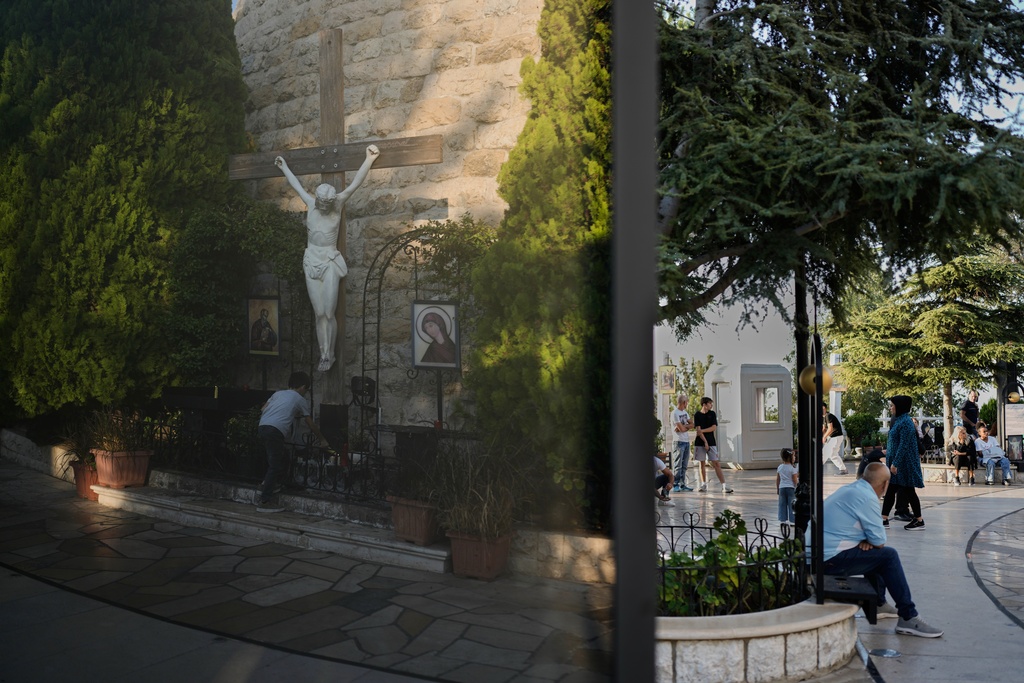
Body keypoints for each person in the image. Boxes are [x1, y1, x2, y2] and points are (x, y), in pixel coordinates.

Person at [275, 145, 380, 372]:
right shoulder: (311, 204)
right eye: (321, 203)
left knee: (329, 311)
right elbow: (296, 185)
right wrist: (284, 168)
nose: (323, 206)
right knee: (319, 312)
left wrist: (368, 160)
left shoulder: (338, 203)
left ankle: (330, 353)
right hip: (311, 260)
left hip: (330, 260)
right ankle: (323, 353)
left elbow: (355, 184)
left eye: (326, 204)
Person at [819, 462, 943, 638]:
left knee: (876, 556)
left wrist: (866, 539)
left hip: (818, 555)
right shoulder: (867, 498)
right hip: (827, 560)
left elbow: (872, 540)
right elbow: (879, 541)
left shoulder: (852, 489)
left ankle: (879, 604)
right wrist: (869, 539)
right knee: (888, 556)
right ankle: (908, 616)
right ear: (885, 485)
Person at [256, 371, 329, 513]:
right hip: (275, 430)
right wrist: (322, 439)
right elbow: (310, 423)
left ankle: (268, 484)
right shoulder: (299, 399)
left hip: (263, 426)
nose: (306, 393)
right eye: (306, 390)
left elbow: (263, 408)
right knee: (275, 465)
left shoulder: (278, 393)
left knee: (281, 455)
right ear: (303, 387)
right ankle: (265, 501)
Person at [881, 396, 926, 530]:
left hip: (903, 464)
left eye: (892, 405)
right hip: (897, 463)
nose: (890, 408)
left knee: (907, 491)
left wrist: (895, 463)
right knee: (894, 490)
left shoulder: (906, 422)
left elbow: (904, 445)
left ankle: (919, 520)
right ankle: (884, 519)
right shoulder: (900, 420)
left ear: (899, 406)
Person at [693, 397, 733, 493]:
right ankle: (703, 484)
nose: (711, 405)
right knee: (701, 464)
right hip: (700, 442)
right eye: (710, 404)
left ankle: (724, 485)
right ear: (704, 404)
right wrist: (705, 442)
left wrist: (702, 430)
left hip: (712, 442)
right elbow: (698, 431)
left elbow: (713, 427)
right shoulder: (697, 415)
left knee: (716, 463)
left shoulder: (712, 414)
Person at [671, 395, 694, 491]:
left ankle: (682, 484)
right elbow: (682, 429)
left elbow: (692, 424)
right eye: (686, 402)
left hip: (686, 441)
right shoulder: (674, 413)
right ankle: (675, 484)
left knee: (684, 465)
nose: (687, 404)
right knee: (678, 465)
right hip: (678, 442)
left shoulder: (685, 412)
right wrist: (685, 427)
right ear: (683, 402)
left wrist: (685, 426)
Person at [822, 402, 850, 475]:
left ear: (823, 408)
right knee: (833, 454)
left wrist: (824, 437)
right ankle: (843, 469)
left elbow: (830, 429)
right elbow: (825, 429)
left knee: (824, 453)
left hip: (835, 437)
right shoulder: (825, 418)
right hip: (835, 437)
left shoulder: (828, 416)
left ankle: (816, 469)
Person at [776, 448, 798, 530]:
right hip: (791, 488)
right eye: (794, 456)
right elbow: (794, 479)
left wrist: (777, 488)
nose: (795, 457)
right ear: (790, 457)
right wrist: (797, 486)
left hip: (782, 488)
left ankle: (782, 520)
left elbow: (778, 479)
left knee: (782, 504)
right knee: (791, 505)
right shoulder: (792, 468)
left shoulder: (780, 467)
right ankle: (792, 521)